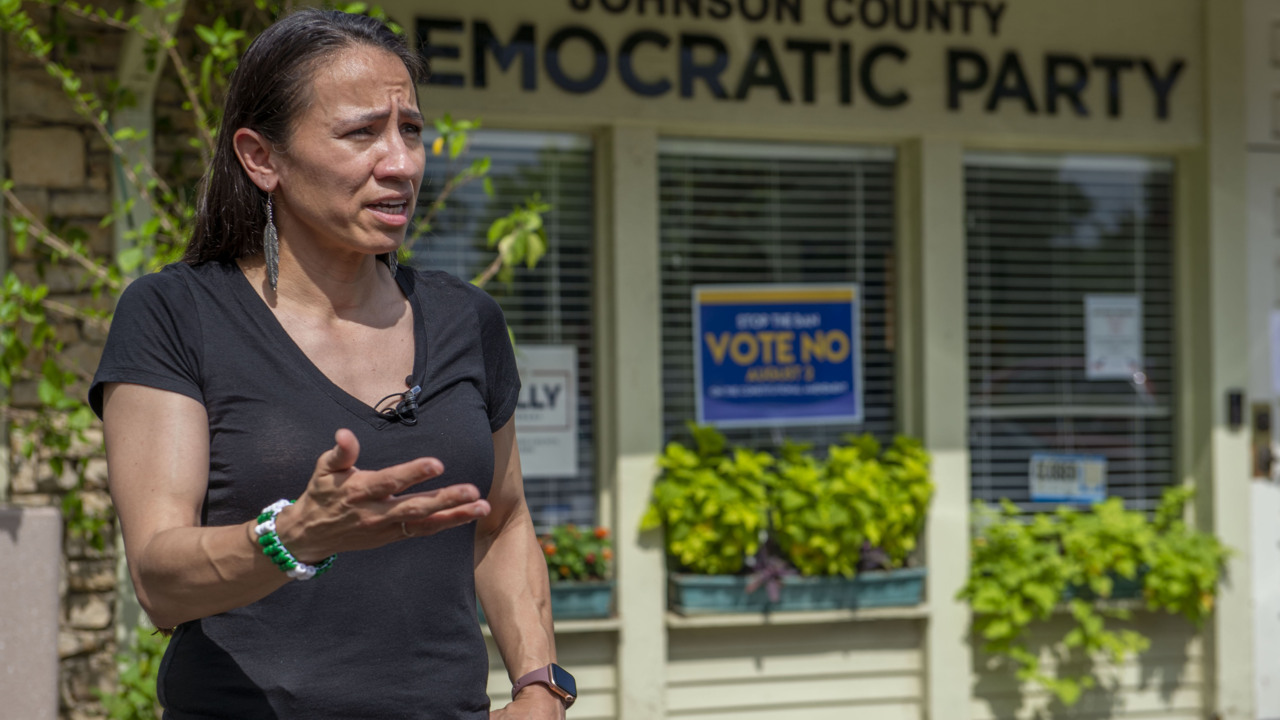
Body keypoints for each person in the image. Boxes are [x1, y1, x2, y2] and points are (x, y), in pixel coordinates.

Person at [89, 9, 572, 718]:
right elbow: (160, 578)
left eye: (410, 129)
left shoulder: (468, 319)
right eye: (361, 132)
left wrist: (541, 685)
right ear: (262, 158)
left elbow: (500, 522)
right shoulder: (176, 314)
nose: (402, 162)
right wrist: (294, 536)